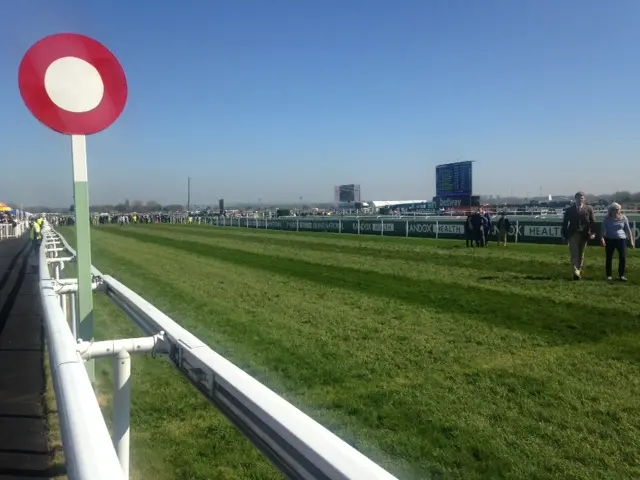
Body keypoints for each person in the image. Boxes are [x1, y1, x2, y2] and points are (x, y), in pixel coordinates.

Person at [562, 191, 596, 280]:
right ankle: (575, 271)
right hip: (573, 234)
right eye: (578, 198)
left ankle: (579, 271)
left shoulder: (588, 209)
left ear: (584, 199)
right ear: (575, 199)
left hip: (584, 234)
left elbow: (592, 222)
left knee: (581, 254)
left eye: (581, 198)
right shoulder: (569, 210)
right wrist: (565, 236)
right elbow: (565, 224)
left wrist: (593, 233)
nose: (579, 200)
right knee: (574, 253)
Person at [600, 202, 635, 281]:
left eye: (617, 209)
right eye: (613, 209)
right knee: (609, 258)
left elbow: (628, 230)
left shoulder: (623, 218)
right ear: (610, 210)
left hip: (621, 239)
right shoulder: (606, 218)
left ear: (619, 210)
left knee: (622, 257)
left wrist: (632, 241)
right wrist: (602, 238)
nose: (615, 211)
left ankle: (621, 275)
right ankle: (609, 275)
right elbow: (602, 229)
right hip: (610, 239)